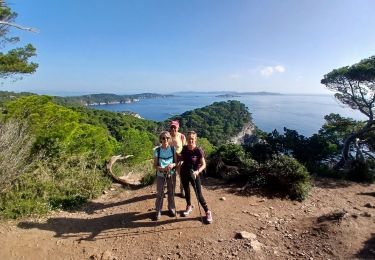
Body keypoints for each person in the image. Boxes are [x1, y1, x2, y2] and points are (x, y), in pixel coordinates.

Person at [180, 131, 213, 224]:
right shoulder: (185, 148)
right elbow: (181, 158)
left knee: (199, 194)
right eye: (189, 138)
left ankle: (207, 211)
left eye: (192, 139)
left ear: (195, 139)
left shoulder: (198, 150)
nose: (190, 140)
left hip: (194, 175)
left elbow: (204, 164)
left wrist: (197, 171)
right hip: (184, 173)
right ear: (187, 138)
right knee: (186, 191)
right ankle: (189, 206)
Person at [153, 131, 177, 220]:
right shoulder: (157, 151)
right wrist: (162, 169)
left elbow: (175, 162)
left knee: (171, 192)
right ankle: (158, 210)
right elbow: (154, 165)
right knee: (160, 193)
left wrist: (172, 165)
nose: (165, 139)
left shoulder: (172, 149)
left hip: (171, 174)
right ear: (160, 139)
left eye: (167, 138)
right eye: (163, 138)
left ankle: (171, 208)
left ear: (169, 139)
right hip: (160, 174)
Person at [169, 120, 187, 197]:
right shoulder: (167, 136)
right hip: (170, 160)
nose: (173, 129)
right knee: (170, 177)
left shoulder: (181, 136)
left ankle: (182, 191)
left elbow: (185, 148)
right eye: (172, 127)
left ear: (178, 128)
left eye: (175, 127)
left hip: (180, 159)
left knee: (182, 176)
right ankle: (171, 191)